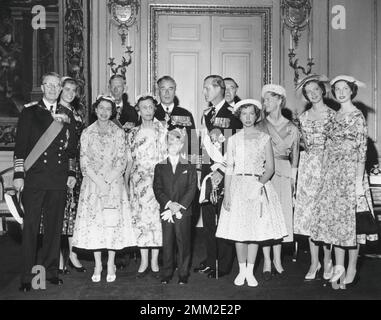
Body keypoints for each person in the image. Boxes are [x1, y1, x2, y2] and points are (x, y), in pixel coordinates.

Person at [310, 75, 378, 288]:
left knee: (352, 225)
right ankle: (338, 267)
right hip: (333, 175)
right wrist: (324, 175)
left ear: (351, 91)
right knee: (336, 224)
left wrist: (358, 183)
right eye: (336, 89)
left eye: (344, 89)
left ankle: (352, 268)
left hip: (351, 175)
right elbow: (326, 148)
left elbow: (361, 150)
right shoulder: (334, 116)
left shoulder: (357, 116)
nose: (340, 92)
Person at [14, 72, 77, 292]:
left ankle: (51, 272)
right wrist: (19, 175)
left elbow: (71, 150)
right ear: (42, 87)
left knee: (54, 228)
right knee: (30, 228)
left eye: (56, 85)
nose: (52, 89)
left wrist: (71, 173)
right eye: (48, 85)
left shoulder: (67, 115)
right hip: (35, 178)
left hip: (57, 179)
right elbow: (20, 146)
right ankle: (27, 276)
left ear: (60, 89)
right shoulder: (30, 112)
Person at [216, 99, 288, 287]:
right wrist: (228, 194)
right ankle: (242, 271)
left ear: (257, 116)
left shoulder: (264, 138)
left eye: (251, 114)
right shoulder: (233, 139)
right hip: (238, 186)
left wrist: (259, 184)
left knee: (254, 230)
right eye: (244, 114)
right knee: (240, 231)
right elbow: (229, 168)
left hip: (257, 186)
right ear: (238, 116)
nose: (247, 118)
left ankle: (250, 270)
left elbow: (270, 168)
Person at [72, 95, 136, 283]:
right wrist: (99, 182)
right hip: (92, 185)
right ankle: (98, 264)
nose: (104, 112)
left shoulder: (118, 133)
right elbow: (84, 161)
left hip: (113, 184)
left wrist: (107, 181)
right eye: (101, 108)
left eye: (108, 108)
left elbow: (121, 160)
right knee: (96, 225)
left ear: (112, 111)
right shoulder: (87, 132)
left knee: (111, 224)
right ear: (95, 109)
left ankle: (111, 264)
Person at [194, 75, 242, 279]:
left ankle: (223, 264)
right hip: (207, 171)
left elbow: (234, 146)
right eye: (204, 88)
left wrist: (221, 171)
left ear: (219, 89)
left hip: (224, 172)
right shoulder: (207, 113)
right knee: (207, 219)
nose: (204, 92)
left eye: (207, 88)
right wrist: (198, 170)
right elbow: (200, 143)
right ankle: (210, 259)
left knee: (223, 217)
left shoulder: (233, 113)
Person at [39, 77, 87, 274]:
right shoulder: (56, 112)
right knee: (57, 214)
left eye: (73, 90)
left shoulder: (77, 113)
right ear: (60, 90)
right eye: (66, 89)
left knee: (72, 215)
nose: (69, 93)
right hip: (59, 169)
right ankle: (58, 257)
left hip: (75, 168)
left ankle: (73, 254)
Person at [293, 74, 336, 281]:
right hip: (308, 168)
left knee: (324, 216)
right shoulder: (302, 118)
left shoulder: (334, 115)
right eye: (308, 92)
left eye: (316, 90)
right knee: (310, 217)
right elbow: (299, 145)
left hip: (327, 167)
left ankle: (328, 260)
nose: (313, 94)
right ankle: (314, 262)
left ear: (322, 90)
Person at [259, 84, 299, 280]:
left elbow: (296, 157)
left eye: (268, 99)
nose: (265, 103)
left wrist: (293, 180)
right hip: (265, 173)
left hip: (283, 174)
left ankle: (277, 259)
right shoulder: (260, 125)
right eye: (264, 99)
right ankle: (266, 259)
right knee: (266, 217)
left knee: (281, 216)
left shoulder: (292, 127)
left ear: (279, 100)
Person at [126, 95, 167, 278]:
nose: (148, 111)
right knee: (140, 219)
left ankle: (154, 261)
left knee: (156, 220)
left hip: (158, 179)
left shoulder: (163, 129)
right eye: (144, 107)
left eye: (151, 107)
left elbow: (168, 157)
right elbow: (129, 160)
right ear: (138, 110)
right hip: (138, 180)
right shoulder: (132, 133)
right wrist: (126, 183)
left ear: (154, 108)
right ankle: (143, 261)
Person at [153, 128, 198, 285]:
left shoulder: (189, 166)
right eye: (170, 142)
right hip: (167, 210)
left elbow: (192, 189)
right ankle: (167, 272)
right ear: (166, 144)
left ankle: (183, 273)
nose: (173, 145)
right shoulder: (159, 166)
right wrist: (169, 204)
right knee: (168, 242)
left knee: (183, 242)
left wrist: (179, 206)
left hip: (183, 211)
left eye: (177, 142)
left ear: (182, 145)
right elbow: (157, 188)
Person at [155, 75, 198, 160]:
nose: (167, 93)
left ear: (175, 91)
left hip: (180, 162)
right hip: (156, 162)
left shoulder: (185, 114)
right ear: (158, 91)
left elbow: (193, 143)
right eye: (163, 89)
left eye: (170, 89)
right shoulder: (152, 113)